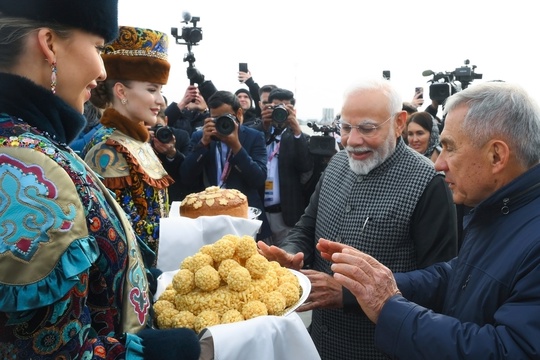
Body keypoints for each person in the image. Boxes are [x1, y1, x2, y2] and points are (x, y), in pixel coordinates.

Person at [0, 2, 199, 359]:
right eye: (97, 48)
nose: (102, 71)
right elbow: (46, 349)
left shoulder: (35, 147)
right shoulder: (29, 166)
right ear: (49, 44)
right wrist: (178, 350)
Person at [320, 81, 540, 359]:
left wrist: (389, 307)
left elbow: (510, 350)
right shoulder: (498, 209)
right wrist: (375, 282)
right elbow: (459, 274)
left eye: (449, 147)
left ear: (496, 155)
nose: (439, 162)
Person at [258, 78, 458, 359]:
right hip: (320, 344)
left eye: (367, 128)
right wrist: (291, 253)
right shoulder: (337, 164)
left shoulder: (428, 183)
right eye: (345, 127)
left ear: (399, 122)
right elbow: (307, 226)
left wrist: (350, 295)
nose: (352, 141)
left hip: (381, 349)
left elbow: (439, 281)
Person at [82, 26, 174, 259]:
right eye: (152, 89)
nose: (160, 101)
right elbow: (121, 237)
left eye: (160, 90)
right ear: (121, 91)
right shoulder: (108, 148)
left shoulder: (136, 140)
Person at [180, 90, 271, 240]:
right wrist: (203, 144)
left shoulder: (253, 136)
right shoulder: (200, 136)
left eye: (225, 118)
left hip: (244, 215)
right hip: (210, 218)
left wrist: (236, 147)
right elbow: (186, 176)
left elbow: (258, 179)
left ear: (239, 113)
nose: (221, 123)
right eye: (215, 118)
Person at [250, 88, 313, 245]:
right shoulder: (255, 133)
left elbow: (305, 167)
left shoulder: (300, 137)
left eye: (286, 107)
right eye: (276, 106)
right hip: (259, 212)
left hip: (286, 215)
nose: (280, 111)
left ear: (293, 110)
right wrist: (263, 127)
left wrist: (296, 129)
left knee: (284, 262)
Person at [151, 110, 192, 202]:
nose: (158, 130)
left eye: (159, 126)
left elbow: (188, 168)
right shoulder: (142, 138)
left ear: (166, 120)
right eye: (153, 128)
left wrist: (172, 153)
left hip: (176, 192)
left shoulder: (181, 136)